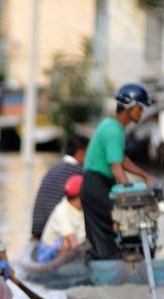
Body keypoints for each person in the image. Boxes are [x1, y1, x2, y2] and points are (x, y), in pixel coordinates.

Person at [80, 83, 156, 260]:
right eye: (139, 108)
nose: (141, 112)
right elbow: (116, 167)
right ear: (129, 107)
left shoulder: (112, 126)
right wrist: (127, 190)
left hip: (95, 185)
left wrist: (144, 176)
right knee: (109, 228)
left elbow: (122, 160)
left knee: (106, 231)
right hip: (96, 185)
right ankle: (108, 263)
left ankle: (110, 258)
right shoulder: (114, 130)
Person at [30, 136, 88, 239]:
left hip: (37, 228)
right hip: (56, 228)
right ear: (81, 152)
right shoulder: (79, 173)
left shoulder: (53, 169)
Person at [36, 175, 86, 263]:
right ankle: (60, 273)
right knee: (66, 244)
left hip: (77, 246)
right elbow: (72, 241)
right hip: (48, 253)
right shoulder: (61, 211)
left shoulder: (83, 209)